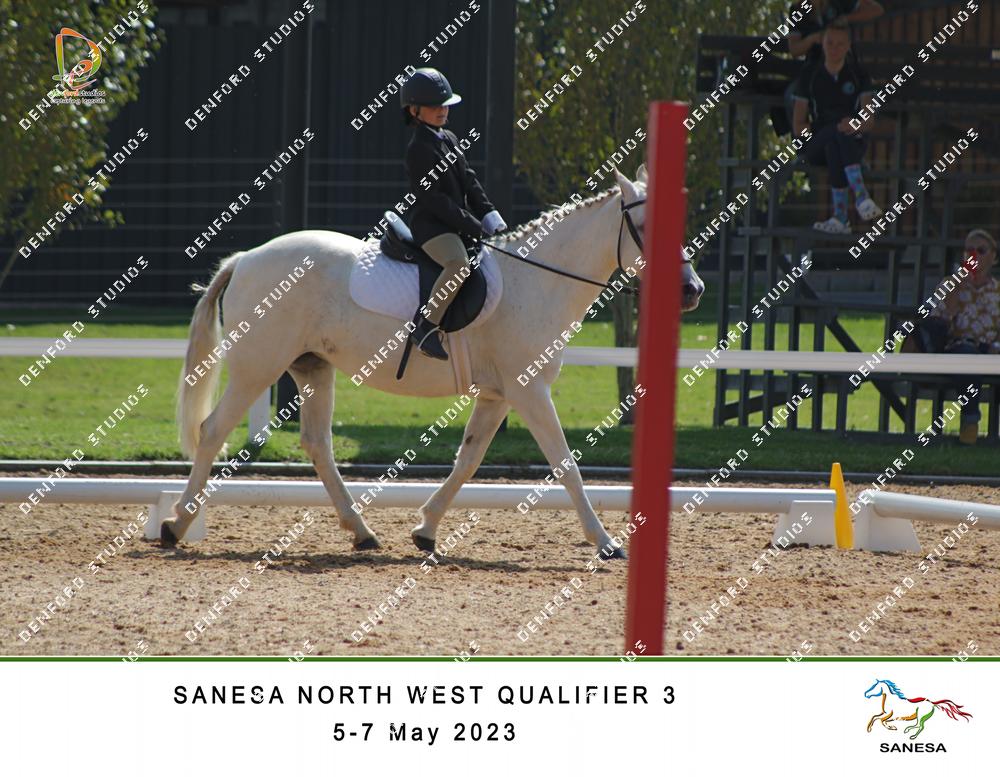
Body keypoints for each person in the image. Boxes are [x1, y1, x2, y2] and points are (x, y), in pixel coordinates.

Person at [399, 67, 507, 361]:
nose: (443, 110)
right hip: (432, 226)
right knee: (458, 264)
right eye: (435, 106)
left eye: (445, 104)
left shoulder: (449, 138)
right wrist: (474, 226)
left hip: (454, 223)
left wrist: (490, 215)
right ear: (414, 111)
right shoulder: (418, 149)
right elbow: (435, 201)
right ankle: (426, 327)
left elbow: (469, 180)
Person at [792, 20, 881, 234]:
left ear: (848, 46)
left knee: (837, 141)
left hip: (849, 140)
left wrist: (855, 124)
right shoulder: (810, 75)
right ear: (822, 43)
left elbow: (868, 120)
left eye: (840, 44)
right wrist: (820, 131)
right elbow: (798, 126)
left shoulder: (859, 74)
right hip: (817, 143)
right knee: (834, 134)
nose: (834, 48)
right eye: (830, 43)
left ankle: (841, 218)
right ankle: (860, 195)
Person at [924, 229, 1000, 444]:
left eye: (981, 251)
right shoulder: (950, 284)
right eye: (969, 250)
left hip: (991, 349)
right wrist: (956, 291)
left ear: (993, 257)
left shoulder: (997, 291)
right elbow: (938, 326)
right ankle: (970, 420)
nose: (974, 255)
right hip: (958, 347)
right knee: (967, 356)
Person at [787, 0, 884, 63]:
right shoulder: (798, 10)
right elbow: (794, 50)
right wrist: (812, 39)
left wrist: (847, 18)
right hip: (814, 67)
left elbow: (877, 10)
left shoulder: (839, 2)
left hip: (845, 64)